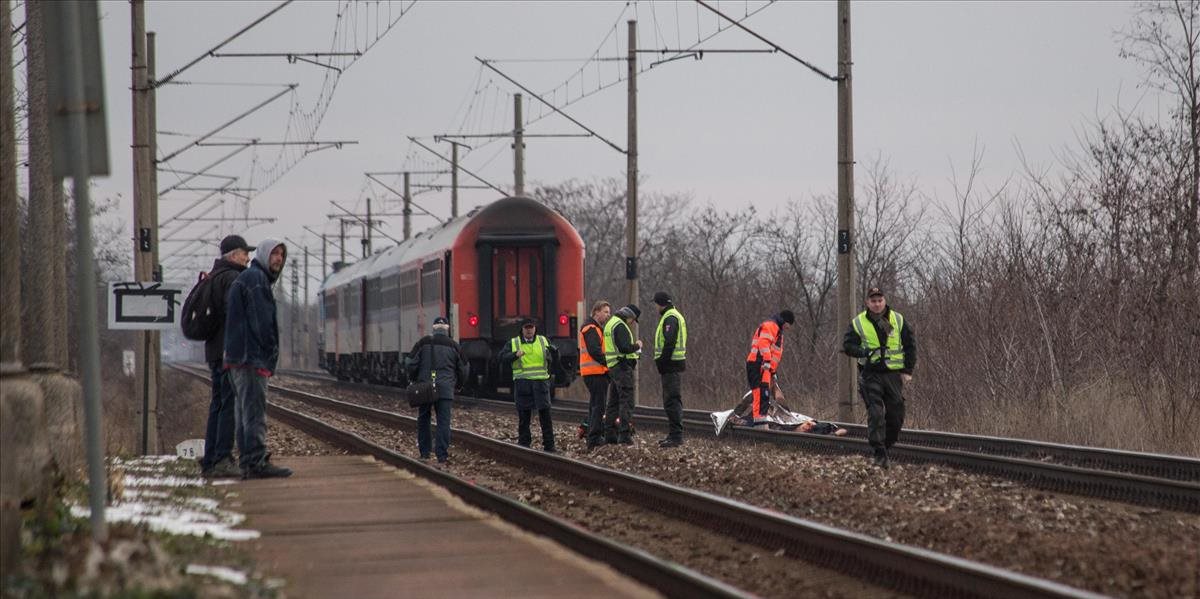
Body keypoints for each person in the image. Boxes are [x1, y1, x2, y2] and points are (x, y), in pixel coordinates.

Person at [223, 239, 292, 479]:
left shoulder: (249, 278)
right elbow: (262, 323)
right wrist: (269, 353)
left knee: (244, 413)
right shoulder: (256, 281)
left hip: (239, 357)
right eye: (274, 254)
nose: (279, 260)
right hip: (250, 358)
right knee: (253, 413)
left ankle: (249, 461)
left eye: (282, 256)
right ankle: (256, 461)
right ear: (263, 255)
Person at [842, 287, 917, 469]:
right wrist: (863, 352)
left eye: (879, 300)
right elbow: (848, 345)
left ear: (884, 300)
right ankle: (879, 452)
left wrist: (908, 370)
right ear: (868, 302)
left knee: (896, 415)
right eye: (873, 300)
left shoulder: (897, 320)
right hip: (870, 373)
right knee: (876, 413)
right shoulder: (858, 322)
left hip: (893, 374)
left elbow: (910, 344)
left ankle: (886, 446)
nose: (877, 304)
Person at [198, 235, 254, 478]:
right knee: (229, 405)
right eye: (244, 253)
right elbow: (236, 316)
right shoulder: (233, 278)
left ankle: (211, 458)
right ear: (233, 255)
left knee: (218, 404)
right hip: (227, 352)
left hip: (215, 350)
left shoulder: (215, 276)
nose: (248, 257)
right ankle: (222, 457)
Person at [406, 316, 468, 464]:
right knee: (443, 422)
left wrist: (414, 379)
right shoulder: (455, 346)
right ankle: (442, 455)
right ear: (447, 329)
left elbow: (410, 363)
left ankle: (425, 453)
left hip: (425, 388)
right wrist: (458, 385)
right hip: (446, 389)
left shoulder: (423, 342)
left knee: (423, 419)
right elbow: (464, 369)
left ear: (433, 328)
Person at [498, 318, 560, 452]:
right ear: (522, 329)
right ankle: (524, 445)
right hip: (523, 384)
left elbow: (555, 357)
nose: (529, 330)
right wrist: (515, 355)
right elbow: (501, 358)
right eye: (526, 328)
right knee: (524, 417)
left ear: (535, 329)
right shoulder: (514, 343)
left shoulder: (543, 341)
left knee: (545, 417)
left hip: (541, 383)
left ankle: (549, 446)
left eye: (531, 328)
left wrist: (554, 355)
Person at [745, 309, 795, 426]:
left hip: (765, 367)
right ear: (785, 322)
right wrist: (767, 360)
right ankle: (759, 420)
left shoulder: (778, 333)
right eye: (789, 325)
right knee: (759, 391)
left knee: (764, 393)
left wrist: (772, 371)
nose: (789, 328)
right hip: (758, 363)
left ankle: (760, 418)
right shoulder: (771, 326)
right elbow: (764, 343)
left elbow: (776, 354)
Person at [652, 291, 687, 448]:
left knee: (671, 401)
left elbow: (669, 342)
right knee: (671, 400)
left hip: (670, 365)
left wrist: (662, 362)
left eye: (656, 304)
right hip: (673, 365)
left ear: (660, 303)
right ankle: (673, 435)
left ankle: (676, 436)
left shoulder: (670, 318)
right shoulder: (673, 315)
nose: (655, 307)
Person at [603, 304, 641, 444]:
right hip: (622, 368)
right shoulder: (620, 325)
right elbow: (624, 348)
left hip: (613, 367)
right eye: (633, 320)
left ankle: (609, 434)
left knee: (612, 402)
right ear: (629, 316)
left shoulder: (610, 323)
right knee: (626, 401)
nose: (632, 323)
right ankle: (624, 435)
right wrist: (637, 345)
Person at [578, 300, 612, 450]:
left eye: (608, 313)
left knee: (595, 406)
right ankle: (595, 438)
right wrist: (609, 363)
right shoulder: (591, 328)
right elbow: (595, 351)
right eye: (605, 312)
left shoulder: (593, 328)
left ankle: (592, 436)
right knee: (599, 406)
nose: (607, 315)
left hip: (594, 373)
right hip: (595, 372)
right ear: (596, 311)